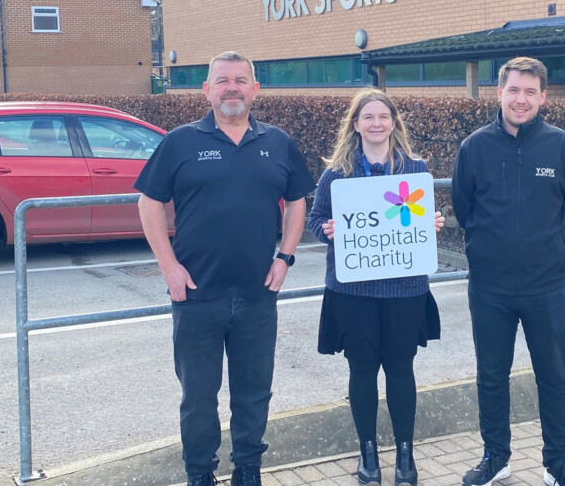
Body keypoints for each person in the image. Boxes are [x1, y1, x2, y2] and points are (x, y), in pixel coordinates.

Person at [135, 51, 316, 486]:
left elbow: (296, 202)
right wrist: (169, 268)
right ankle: (200, 473)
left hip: (258, 296)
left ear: (255, 89)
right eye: (222, 81)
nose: (231, 88)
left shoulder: (277, 142)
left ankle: (248, 469)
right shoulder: (180, 141)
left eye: (240, 80)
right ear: (207, 90)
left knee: (253, 394)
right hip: (195, 295)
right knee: (198, 398)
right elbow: (149, 202)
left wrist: (285, 256)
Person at [451, 57, 565, 486]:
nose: (521, 99)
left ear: (543, 97)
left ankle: (558, 465)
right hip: (490, 288)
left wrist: (554, 252)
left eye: (531, 92)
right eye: (514, 90)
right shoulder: (474, 147)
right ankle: (496, 457)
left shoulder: (563, 147)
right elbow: (464, 208)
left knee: (553, 377)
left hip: (545, 287)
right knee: (492, 377)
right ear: (499, 93)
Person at [308, 88, 444, 486]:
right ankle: (368, 452)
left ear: (393, 122)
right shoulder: (337, 173)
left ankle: (405, 454)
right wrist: (327, 230)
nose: (376, 123)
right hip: (354, 292)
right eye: (368, 117)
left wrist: (430, 225)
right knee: (362, 370)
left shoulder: (415, 170)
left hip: (404, 288)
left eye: (383, 116)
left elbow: (421, 220)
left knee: (401, 368)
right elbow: (316, 218)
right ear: (355, 124)